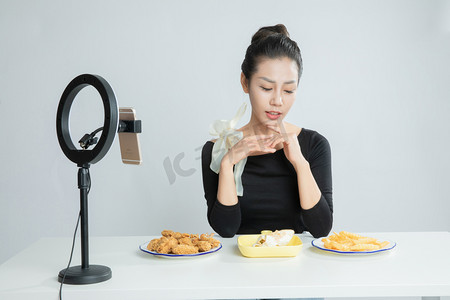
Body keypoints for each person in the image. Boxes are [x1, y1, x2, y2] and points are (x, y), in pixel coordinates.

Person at [201, 24, 333, 239]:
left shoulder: (314, 144)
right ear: (245, 82)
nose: (278, 101)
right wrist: (227, 164)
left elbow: (321, 229)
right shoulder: (217, 149)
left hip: (299, 266)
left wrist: (300, 163)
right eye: (266, 88)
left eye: (289, 90)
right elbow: (226, 230)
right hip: (238, 266)